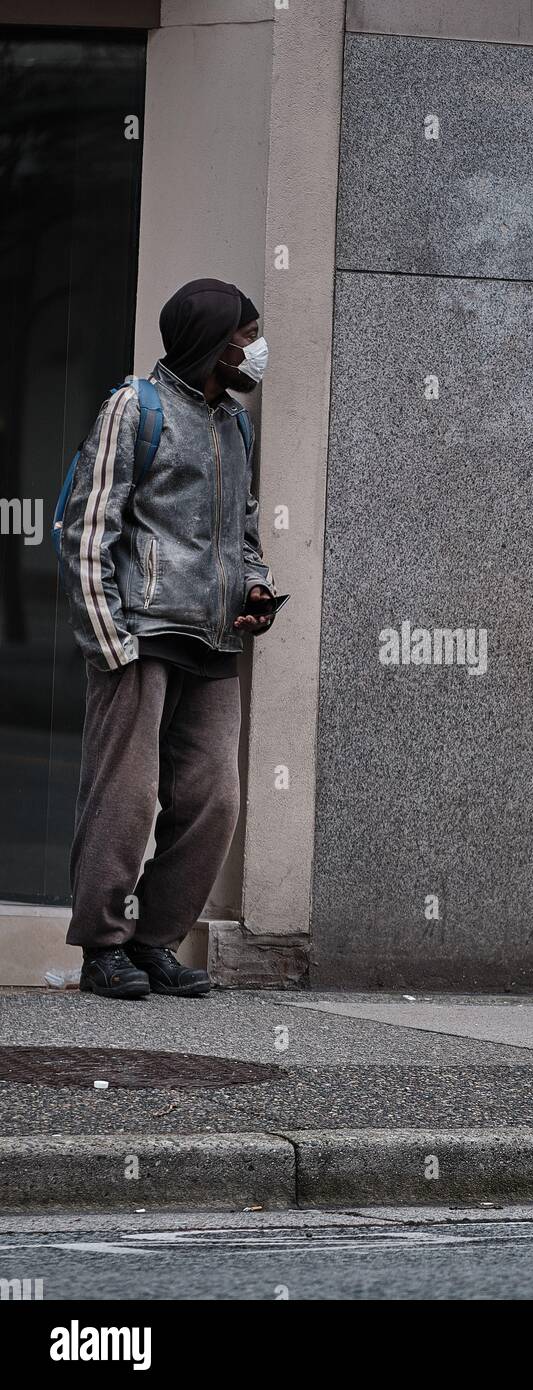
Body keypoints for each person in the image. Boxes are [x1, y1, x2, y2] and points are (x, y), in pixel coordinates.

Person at [59, 277, 286, 1000]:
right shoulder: (138, 407)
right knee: (125, 800)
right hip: (140, 634)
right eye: (248, 336)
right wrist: (109, 639)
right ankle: (104, 947)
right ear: (214, 344)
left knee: (213, 799)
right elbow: (87, 527)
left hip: (214, 641)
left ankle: (154, 940)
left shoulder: (235, 424)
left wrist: (254, 586)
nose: (256, 348)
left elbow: (243, 531)